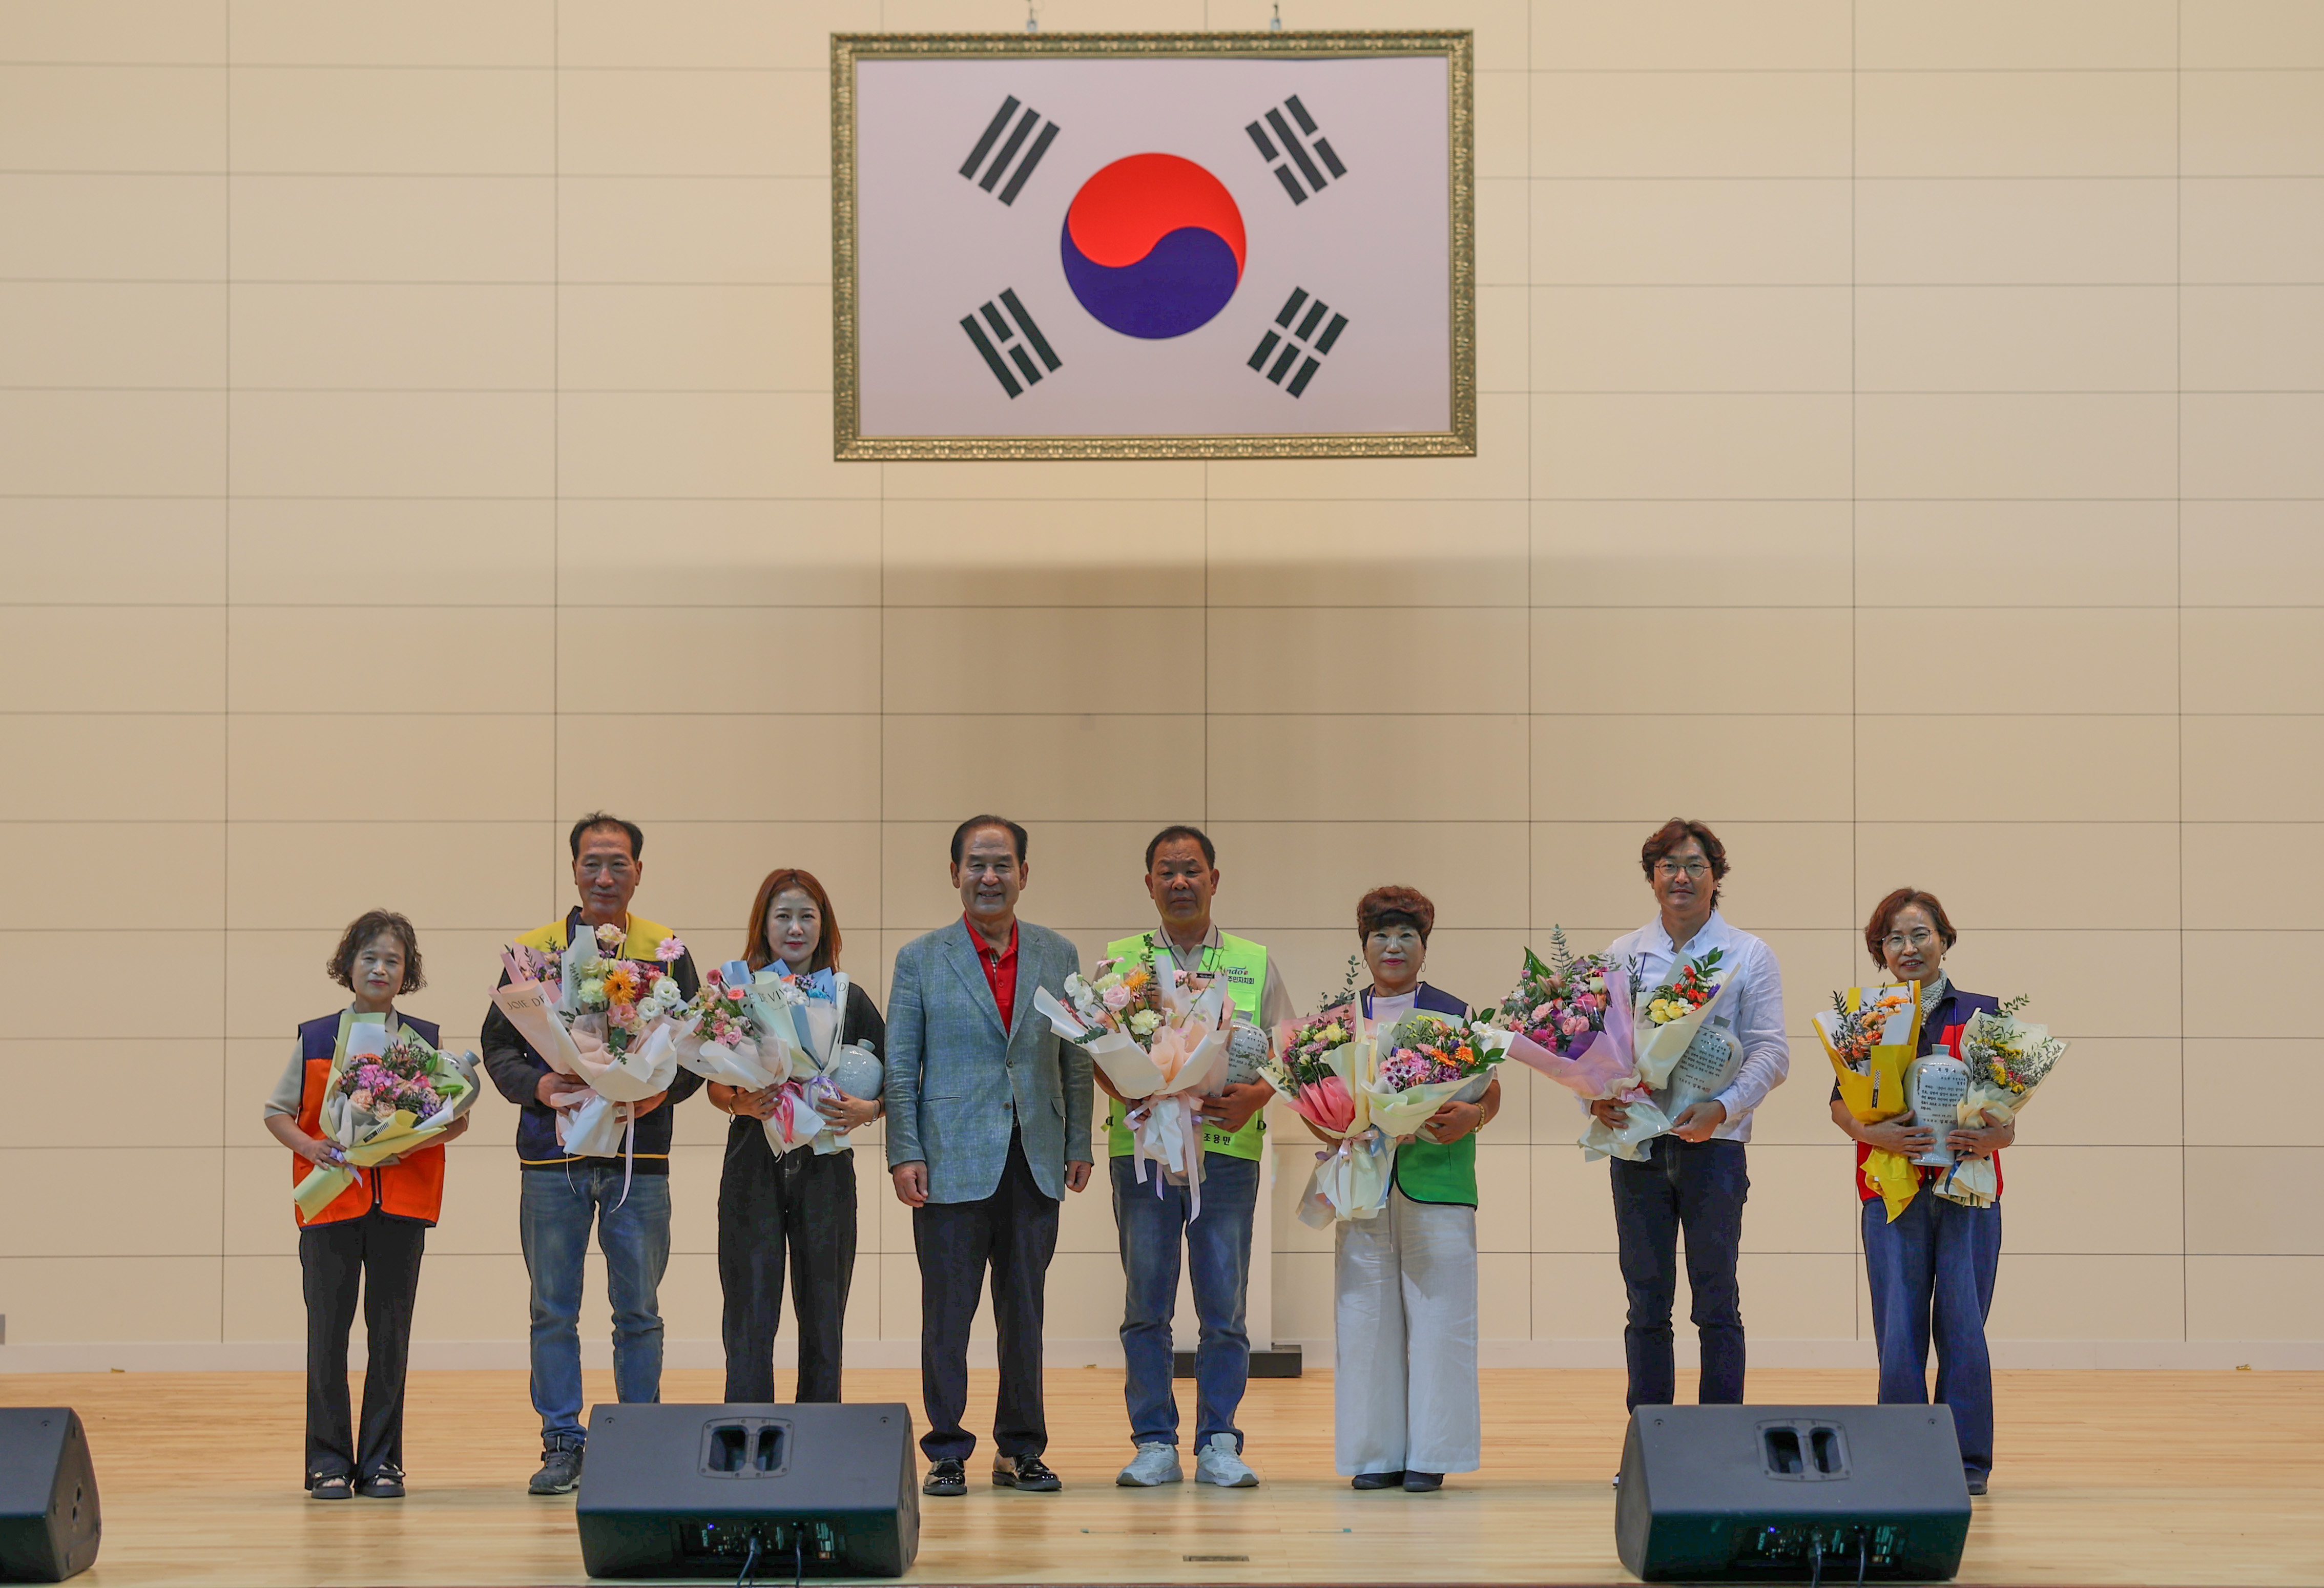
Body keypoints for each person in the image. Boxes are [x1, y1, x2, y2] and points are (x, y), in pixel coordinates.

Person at [481, 812, 703, 1495]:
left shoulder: (666, 950)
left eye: (618, 863)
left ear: (639, 871)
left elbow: (702, 1045)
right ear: (573, 869)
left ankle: (635, 1439)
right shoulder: (534, 951)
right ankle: (562, 1443)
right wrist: (539, 1085)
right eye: (592, 862)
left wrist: (661, 1093)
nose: (604, 876)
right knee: (553, 1306)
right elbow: (498, 1047)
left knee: (638, 1306)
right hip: (555, 1160)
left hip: (641, 1158)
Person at [885, 815, 1094, 1497]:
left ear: (1024, 875)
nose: (989, 876)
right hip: (948, 1161)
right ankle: (946, 1449)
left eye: (1002, 864)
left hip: (1033, 1157)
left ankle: (1020, 1450)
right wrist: (904, 1152)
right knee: (947, 1315)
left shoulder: (1057, 954)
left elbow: (1075, 1060)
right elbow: (900, 1067)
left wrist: (1079, 1142)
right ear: (954, 874)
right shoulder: (920, 959)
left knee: (1024, 1314)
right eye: (976, 864)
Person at [1098, 825, 1295, 1490]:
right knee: (1146, 1307)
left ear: (1215, 879)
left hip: (1227, 1155)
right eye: (1166, 872)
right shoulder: (1121, 962)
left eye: (1191, 870)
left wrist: (1255, 1099)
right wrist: (1129, 1085)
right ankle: (1154, 1441)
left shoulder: (1255, 961)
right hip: (1143, 1156)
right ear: (1148, 884)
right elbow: (1096, 1054)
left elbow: (1290, 1055)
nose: (1179, 882)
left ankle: (1218, 1440)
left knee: (1224, 1309)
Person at [263, 909, 468, 1500]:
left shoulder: (423, 1040)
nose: (381, 968)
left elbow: (454, 1119)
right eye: (370, 957)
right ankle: (326, 1461)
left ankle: (382, 1461)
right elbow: (277, 1112)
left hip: (401, 1207)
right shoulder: (318, 1036)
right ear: (348, 966)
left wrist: (410, 1140)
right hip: (331, 1205)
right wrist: (313, 1146)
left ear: (408, 973)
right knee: (327, 1335)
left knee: (391, 1335)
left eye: (393, 960)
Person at [1591, 819, 1789, 1412]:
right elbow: (1597, 1049)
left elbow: (1772, 1050)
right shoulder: (1622, 955)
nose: (1682, 876)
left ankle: (1722, 1449)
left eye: (1695, 865)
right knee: (1646, 1303)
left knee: (1716, 1301)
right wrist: (1594, 1098)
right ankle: (1650, 1447)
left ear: (1716, 876)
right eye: (1669, 864)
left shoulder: (1749, 954)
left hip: (1716, 1148)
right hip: (1639, 1147)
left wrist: (1723, 1107)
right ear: (1652, 876)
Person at [1312, 885, 1499, 1493]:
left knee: (1443, 1318)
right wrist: (1325, 1120)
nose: (1393, 947)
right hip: (1363, 1182)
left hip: (1438, 1181)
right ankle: (1375, 1454)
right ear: (1363, 945)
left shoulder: (1454, 1012)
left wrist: (1478, 1115)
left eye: (1406, 936)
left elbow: (1488, 1090)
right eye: (1381, 936)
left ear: (1425, 946)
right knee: (1363, 1318)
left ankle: (1434, 1451)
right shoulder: (1340, 1019)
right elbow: (1313, 1097)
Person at [1829, 888, 2010, 1495]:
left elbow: (2007, 1123)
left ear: (1945, 938)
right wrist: (1872, 1131)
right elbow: (1840, 1108)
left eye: (1920, 934)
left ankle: (1966, 1464)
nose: (1908, 948)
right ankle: (1903, 1456)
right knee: (1899, 1328)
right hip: (1892, 1192)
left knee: (1964, 1324)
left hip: (1968, 1193)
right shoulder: (1868, 1016)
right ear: (1881, 951)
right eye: (1894, 939)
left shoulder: (1984, 1013)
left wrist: (1991, 1139)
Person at [708, 868, 885, 1404]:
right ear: (763, 925)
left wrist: (869, 1110)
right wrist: (740, 1101)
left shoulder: (849, 995)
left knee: (824, 1311)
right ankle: (745, 1442)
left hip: (827, 1167)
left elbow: (895, 1078)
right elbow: (713, 1085)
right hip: (752, 1162)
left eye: (807, 915)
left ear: (823, 925)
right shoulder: (737, 992)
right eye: (782, 915)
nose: (795, 927)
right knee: (749, 1315)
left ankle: (817, 1440)